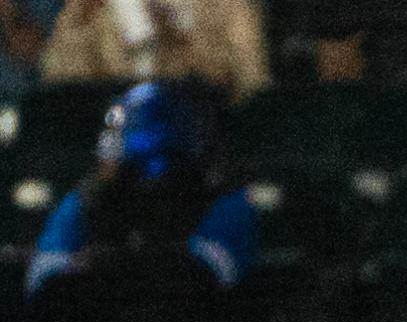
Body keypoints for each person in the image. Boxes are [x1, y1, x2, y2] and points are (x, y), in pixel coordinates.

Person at [27, 80, 257, 297]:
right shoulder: (89, 198)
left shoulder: (222, 200)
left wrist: (108, 263)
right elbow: (41, 276)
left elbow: (211, 274)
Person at [41, 0, 269, 98]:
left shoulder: (227, 7)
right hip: (115, 156)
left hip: (202, 147)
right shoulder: (89, 9)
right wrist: (85, 22)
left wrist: (177, 42)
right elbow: (61, 86)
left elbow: (250, 83)